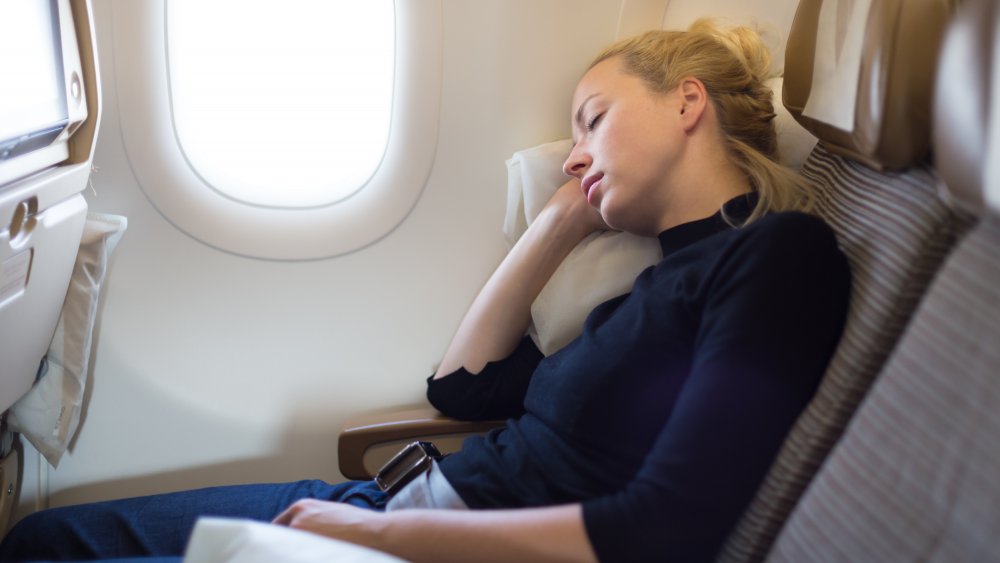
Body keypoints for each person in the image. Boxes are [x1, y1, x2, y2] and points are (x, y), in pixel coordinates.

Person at [0, 21, 850, 563]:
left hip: (431, 538)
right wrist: (560, 223)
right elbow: (463, 386)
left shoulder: (781, 256)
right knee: (44, 539)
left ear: (687, 104)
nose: (571, 152)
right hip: (400, 507)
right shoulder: (654, 284)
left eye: (592, 117)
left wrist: (378, 534)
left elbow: (664, 528)